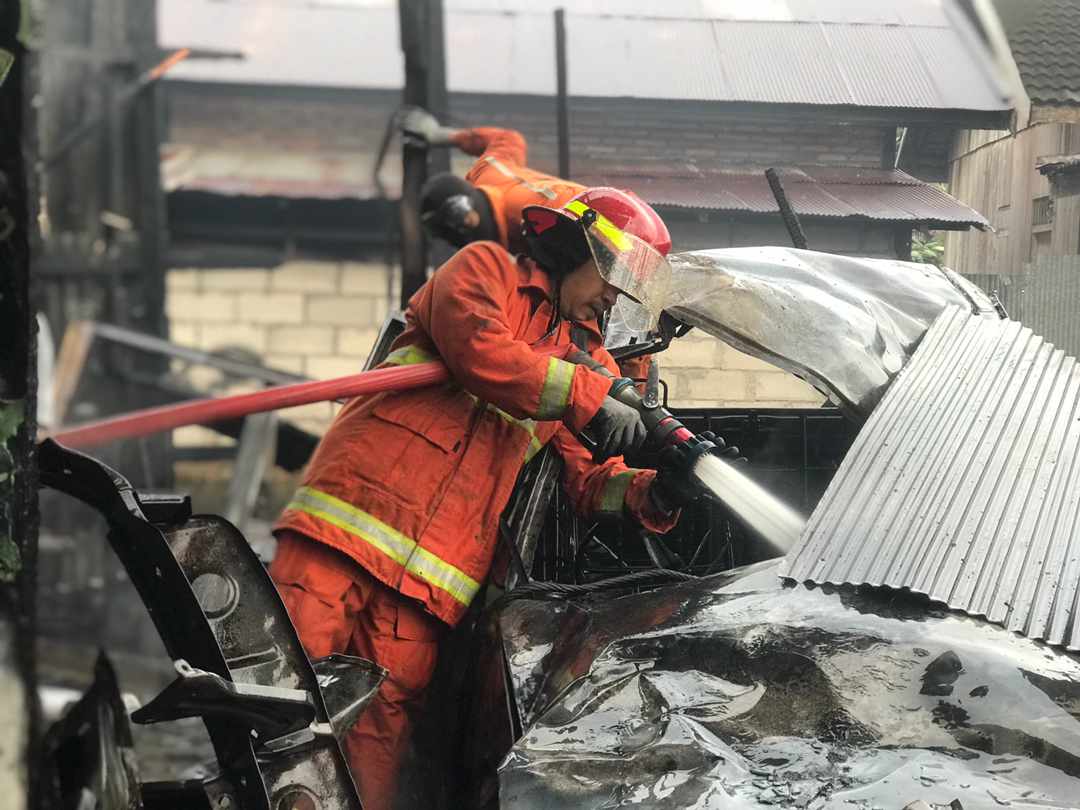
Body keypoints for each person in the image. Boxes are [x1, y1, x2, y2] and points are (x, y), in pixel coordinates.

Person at [270, 188, 698, 810]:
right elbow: (481, 351)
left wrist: (658, 489)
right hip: (343, 532)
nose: (614, 295)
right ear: (575, 244)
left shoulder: (589, 363)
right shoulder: (485, 271)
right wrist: (590, 394)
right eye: (613, 275)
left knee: (375, 748)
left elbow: (584, 479)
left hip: (427, 588)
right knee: (277, 708)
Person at [403, 107, 662, 382]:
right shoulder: (486, 172)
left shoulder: (544, 229)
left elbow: (596, 283)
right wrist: (440, 136)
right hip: (617, 228)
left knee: (620, 338)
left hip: (624, 240)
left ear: (468, 218)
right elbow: (508, 138)